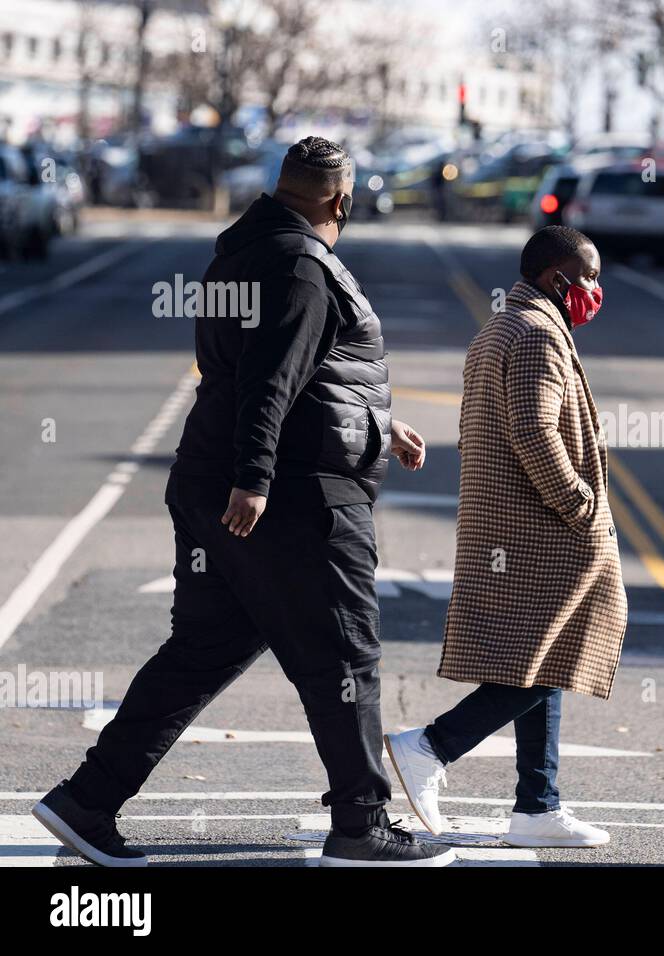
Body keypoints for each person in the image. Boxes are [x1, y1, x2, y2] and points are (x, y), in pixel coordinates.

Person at [32, 136, 451, 868]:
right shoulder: (302, 267)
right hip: (289, 498)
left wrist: (380, 426)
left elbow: (288, 378)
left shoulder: (242, 253)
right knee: (345, 654)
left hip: (216, 482)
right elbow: (269, 380)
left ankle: (86, 802)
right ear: (340, 200)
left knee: (202, 651)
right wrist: (254, 480)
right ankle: (361, 823)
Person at [385, 225, 627, 848]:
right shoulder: (537, 334)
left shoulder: (503, 325)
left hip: (511, 527)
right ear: (555, 278)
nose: (596, 289)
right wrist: (579, 503)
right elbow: (535, 433)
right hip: (538, 531)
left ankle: (537, 807)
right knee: (545, 657)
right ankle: (430, 748)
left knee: (543, 655)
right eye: (589, 276)